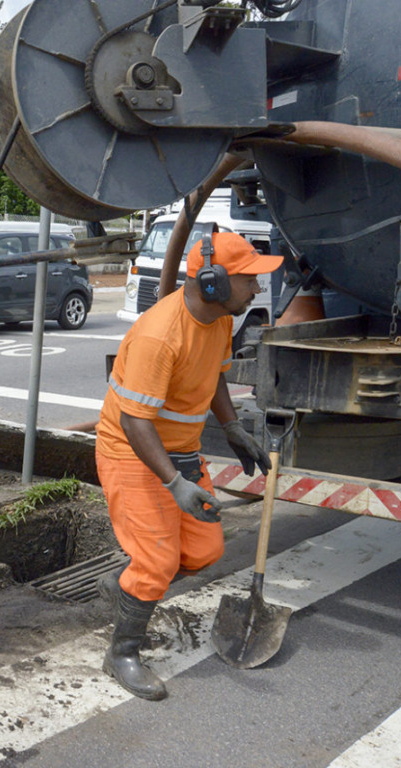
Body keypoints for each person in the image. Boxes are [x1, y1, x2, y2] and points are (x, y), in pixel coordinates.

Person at [95, 231, 280, 700]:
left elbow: (214, 374)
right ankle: (122, 653)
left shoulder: (218, 320)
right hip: (132, 452)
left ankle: (123, 586)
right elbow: (136, 422)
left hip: (178, 451)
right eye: (251, 280)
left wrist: (233, 427)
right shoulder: (160, 334)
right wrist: (175, 482)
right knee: (158, 560)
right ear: (214, 282)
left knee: (204, 550)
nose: (258, 289)